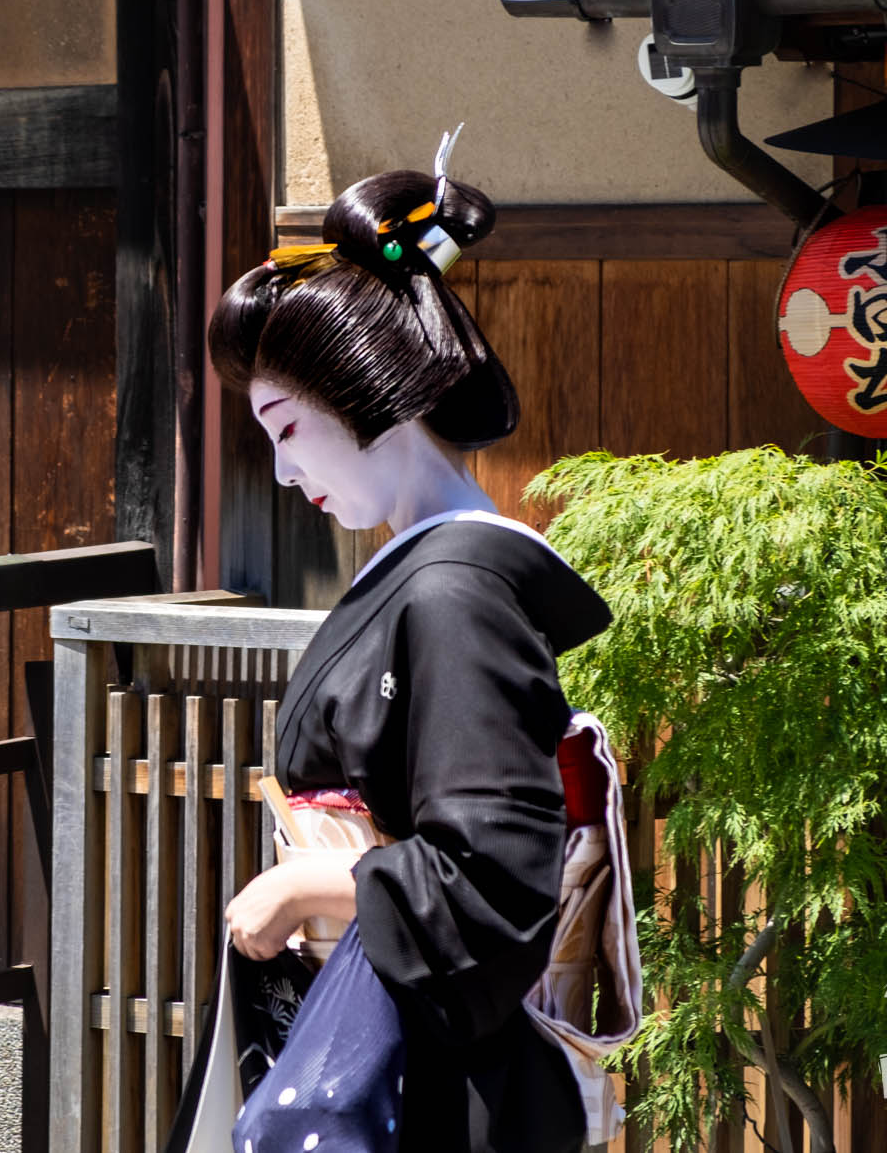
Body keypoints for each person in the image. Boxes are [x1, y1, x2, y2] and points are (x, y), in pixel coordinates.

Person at [207, 131, 614, 1152]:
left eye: (285, 427)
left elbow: (490, 875)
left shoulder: (453, 592)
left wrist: (306, 883)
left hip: (431, 1075)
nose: (283, 469)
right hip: (385, 1022)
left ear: (362, 394)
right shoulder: (424, 577)